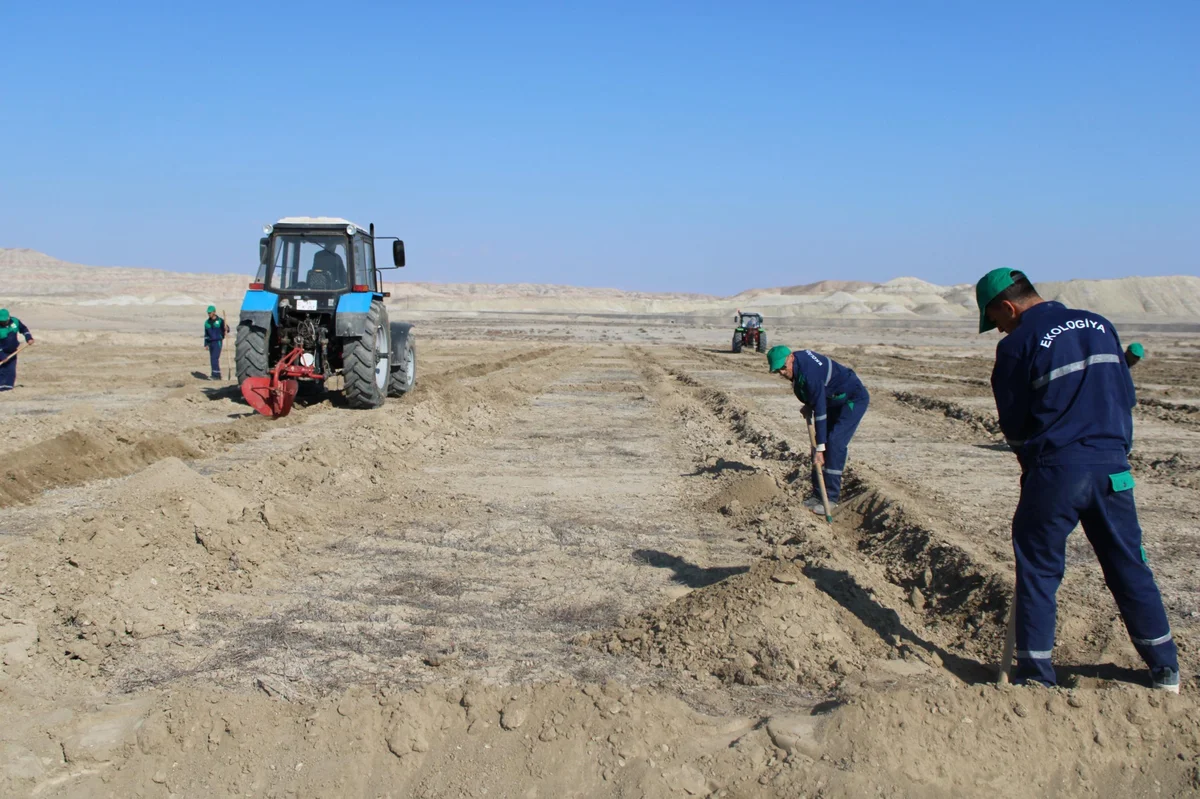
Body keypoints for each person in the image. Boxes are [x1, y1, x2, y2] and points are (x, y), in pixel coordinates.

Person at [976, 267, 1179, 692]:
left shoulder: (1017, 345)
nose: (998, 328)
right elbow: (1125, 396)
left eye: (995, 319)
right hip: (1114, 469)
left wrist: (1030, 466)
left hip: (1057, 469)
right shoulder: (1101, 325)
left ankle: (1035, 677)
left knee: (1038, 568)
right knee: (1130, 566)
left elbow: (1014, 425)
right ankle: (1165, 670)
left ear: (1007, 307)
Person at [766, 345, 869, 513]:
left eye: (784, 368)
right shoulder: (799, 365)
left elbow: (820, 409)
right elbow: (814, 395)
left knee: (833, 443)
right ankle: (817, 495)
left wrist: (820, 448)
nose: (783, 373)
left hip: (852, 399)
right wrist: (808, 405)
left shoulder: (809, 373)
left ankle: (831, 499)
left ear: (791, 357)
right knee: (818, 447)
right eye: (778, 371)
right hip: (833, 400)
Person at [0, 309, 35, 391]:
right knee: (2, 369)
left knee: (11, 369)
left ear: (8, 318)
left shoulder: (15, 322)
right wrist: (2, 356)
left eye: (4, 321)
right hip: (1, 351)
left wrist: (28, 338)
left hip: (12, 351)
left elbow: (24, 329)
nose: (3, 322)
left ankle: (8, 386)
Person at [203, 305, 227, 380]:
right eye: (208, 313)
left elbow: (226, 329)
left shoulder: (220, 321)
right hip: (211, 343)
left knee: (214, 358)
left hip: (218, 342)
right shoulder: (207, 323)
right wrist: (206, 344)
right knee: (212, 358)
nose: (209, 314)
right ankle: (217, 374)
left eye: (210, 312)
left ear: (214, 312)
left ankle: (215, 375)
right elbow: (206, 334)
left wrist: (227, 328)